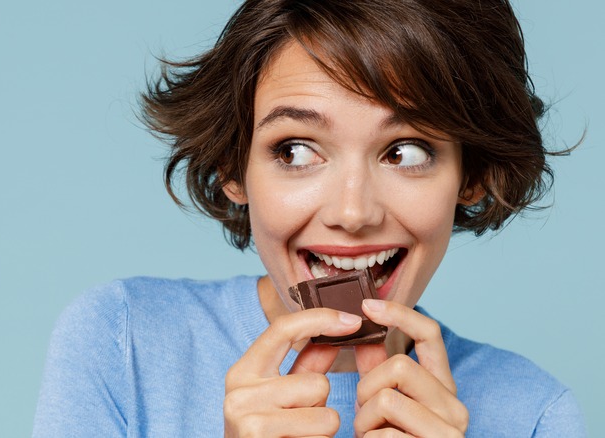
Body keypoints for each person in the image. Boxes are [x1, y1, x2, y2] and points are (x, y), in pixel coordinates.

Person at [32, 0, 586, 436]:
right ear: (232, 165)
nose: (353, 213)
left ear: (471, 174)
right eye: (295, 151)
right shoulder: (122, 340)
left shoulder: (536, 415)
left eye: (406, 152)